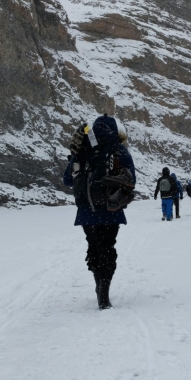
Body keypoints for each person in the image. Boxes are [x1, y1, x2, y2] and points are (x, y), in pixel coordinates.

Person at [63, 115, 136, 310]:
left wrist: (78, 158)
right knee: (108, 247)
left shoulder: (83, 150)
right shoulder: (119, 150)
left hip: (87, 211)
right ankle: (104, 292)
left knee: (94, 248)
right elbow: (132, 180)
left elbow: (67, 180)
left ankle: (98, 285)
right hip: (112, 209)